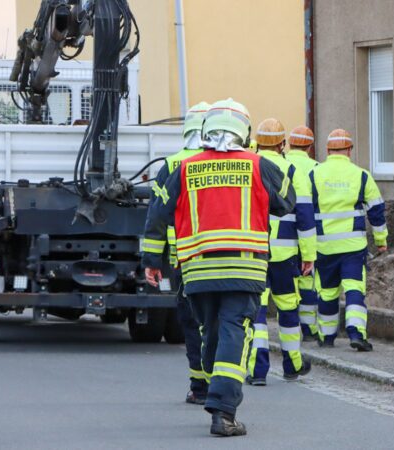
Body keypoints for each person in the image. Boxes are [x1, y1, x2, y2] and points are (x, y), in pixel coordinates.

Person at [141, 99, 294, 437]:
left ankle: (212, 390)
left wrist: (152, 261)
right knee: (233, 335)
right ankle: (224, 413)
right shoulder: (258, 165)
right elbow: (287, 201)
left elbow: (157, 215)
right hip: (243, 269)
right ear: (245, 131)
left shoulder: (185, 168)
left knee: (210, 333)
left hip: (196, 272)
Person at [246, 119, 314, 386]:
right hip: (286, 255)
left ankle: (258, 370)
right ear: (282, 144)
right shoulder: (294, 170)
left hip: (256, 252)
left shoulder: (249, 166)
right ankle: (292, 364)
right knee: (288, 309)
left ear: (258, 142)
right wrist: (309, 255)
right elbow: (305, 217)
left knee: (257, 312)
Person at [149, 101, 210, 405]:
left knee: (192, 322)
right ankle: (221, 383)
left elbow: (157, 217)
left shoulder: (173, 165)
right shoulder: (229, 161)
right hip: (228, 256)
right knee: (222, 322)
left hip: (184, 259)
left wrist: (151, 260)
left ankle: (200, 386)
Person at [310, 129, 387, 352]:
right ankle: (356, 333)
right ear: (349, 150)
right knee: (354, 288)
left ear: (327, 150)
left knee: (327, 291)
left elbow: (305, 209)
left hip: (323, 246)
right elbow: (377, 211)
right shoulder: (361, 175)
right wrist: (381, 239)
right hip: (353, 246)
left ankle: (326, 336)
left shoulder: (315, 175)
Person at [285, 125, 320, 340]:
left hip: (282, 235)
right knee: (308, 280)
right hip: (308, 233)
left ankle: (290, 324)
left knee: (286, 284)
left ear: (289, 143)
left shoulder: (281, 164)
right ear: (309, 146)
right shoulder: (316, 168)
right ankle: (308, 328)